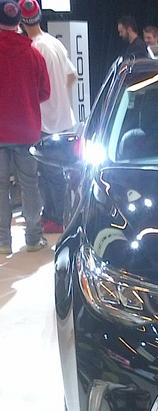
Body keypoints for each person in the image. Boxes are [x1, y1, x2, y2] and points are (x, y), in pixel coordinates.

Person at [19, 0, 76, 234]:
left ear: (21, 21)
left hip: (45, 119)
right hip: (64, 117)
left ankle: (56, 217)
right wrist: (62, 97)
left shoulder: (32, 49)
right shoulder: (55, 43)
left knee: (48, 173)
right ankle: (55, 214)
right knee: (59, 172)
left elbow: (32, 88)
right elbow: (72, 75)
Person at [0, 0, 50, 255]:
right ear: (19, 21)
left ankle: (2, 241)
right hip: (26, 130)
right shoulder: (34, 54)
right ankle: (32, 238)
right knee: (30, 185)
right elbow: (45, 92)